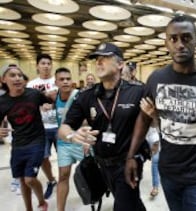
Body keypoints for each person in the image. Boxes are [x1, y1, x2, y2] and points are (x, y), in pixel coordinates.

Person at [125, 15, 196, 211]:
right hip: (169, 173)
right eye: (173, 39)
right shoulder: (156, 79)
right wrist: (131, 155)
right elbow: (143, 120)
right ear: (166, 43)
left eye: (186, 38)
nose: (180, 45)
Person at [58, 42, 146, 211]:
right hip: (101, 165)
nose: (98, 62)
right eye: (97, 59)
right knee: (131, 202)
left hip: (128, 162)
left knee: (124, 205)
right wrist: (72, 136)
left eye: (105, 58)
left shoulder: (137, 91)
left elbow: (152, 121)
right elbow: (64, 128)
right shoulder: (87, 95)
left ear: (120, 64)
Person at [0, 64, 50, 211]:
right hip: (18, 144)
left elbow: (50, 102)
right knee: (22, 179)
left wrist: (47, 105)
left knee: (30, 179)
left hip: (37, 141)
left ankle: (42, 202)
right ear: (3, 79)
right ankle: (29, 209)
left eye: (20, 75)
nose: (17, 78)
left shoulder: (34, 94)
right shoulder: (2, 102)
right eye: (12, 75)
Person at [54, 67, 87, 211]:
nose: (65, 82)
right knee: (63, 175)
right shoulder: (53, 97)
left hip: (81, 141)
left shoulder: (80, 96)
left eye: (68, 79)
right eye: (61, 79)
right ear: (56, 82)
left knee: (91, 173)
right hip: (63, 143)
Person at [26, 54, 57, 199]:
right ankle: (51, 180)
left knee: (64, 158)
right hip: (41, 128)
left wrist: (53, 102)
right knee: (43, 157)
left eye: (48, 63)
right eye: (43, 63)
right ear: (37, 66)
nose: (46, 66)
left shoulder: (58, 80)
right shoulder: (31, 85)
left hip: (58, 125)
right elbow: (26, 106)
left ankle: (63, 181)